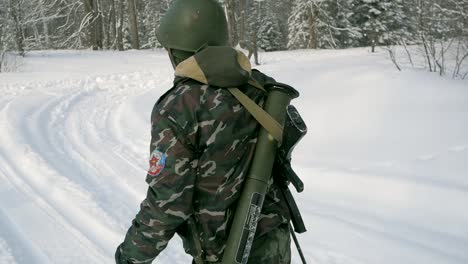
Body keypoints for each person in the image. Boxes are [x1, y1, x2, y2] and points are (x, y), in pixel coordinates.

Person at [115, 0, 292, 263]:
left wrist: (130, 256)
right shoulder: (262, 87)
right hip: (274, 244)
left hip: (227, 253)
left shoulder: (180, 106)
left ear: (176, 51)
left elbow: (168, 204)